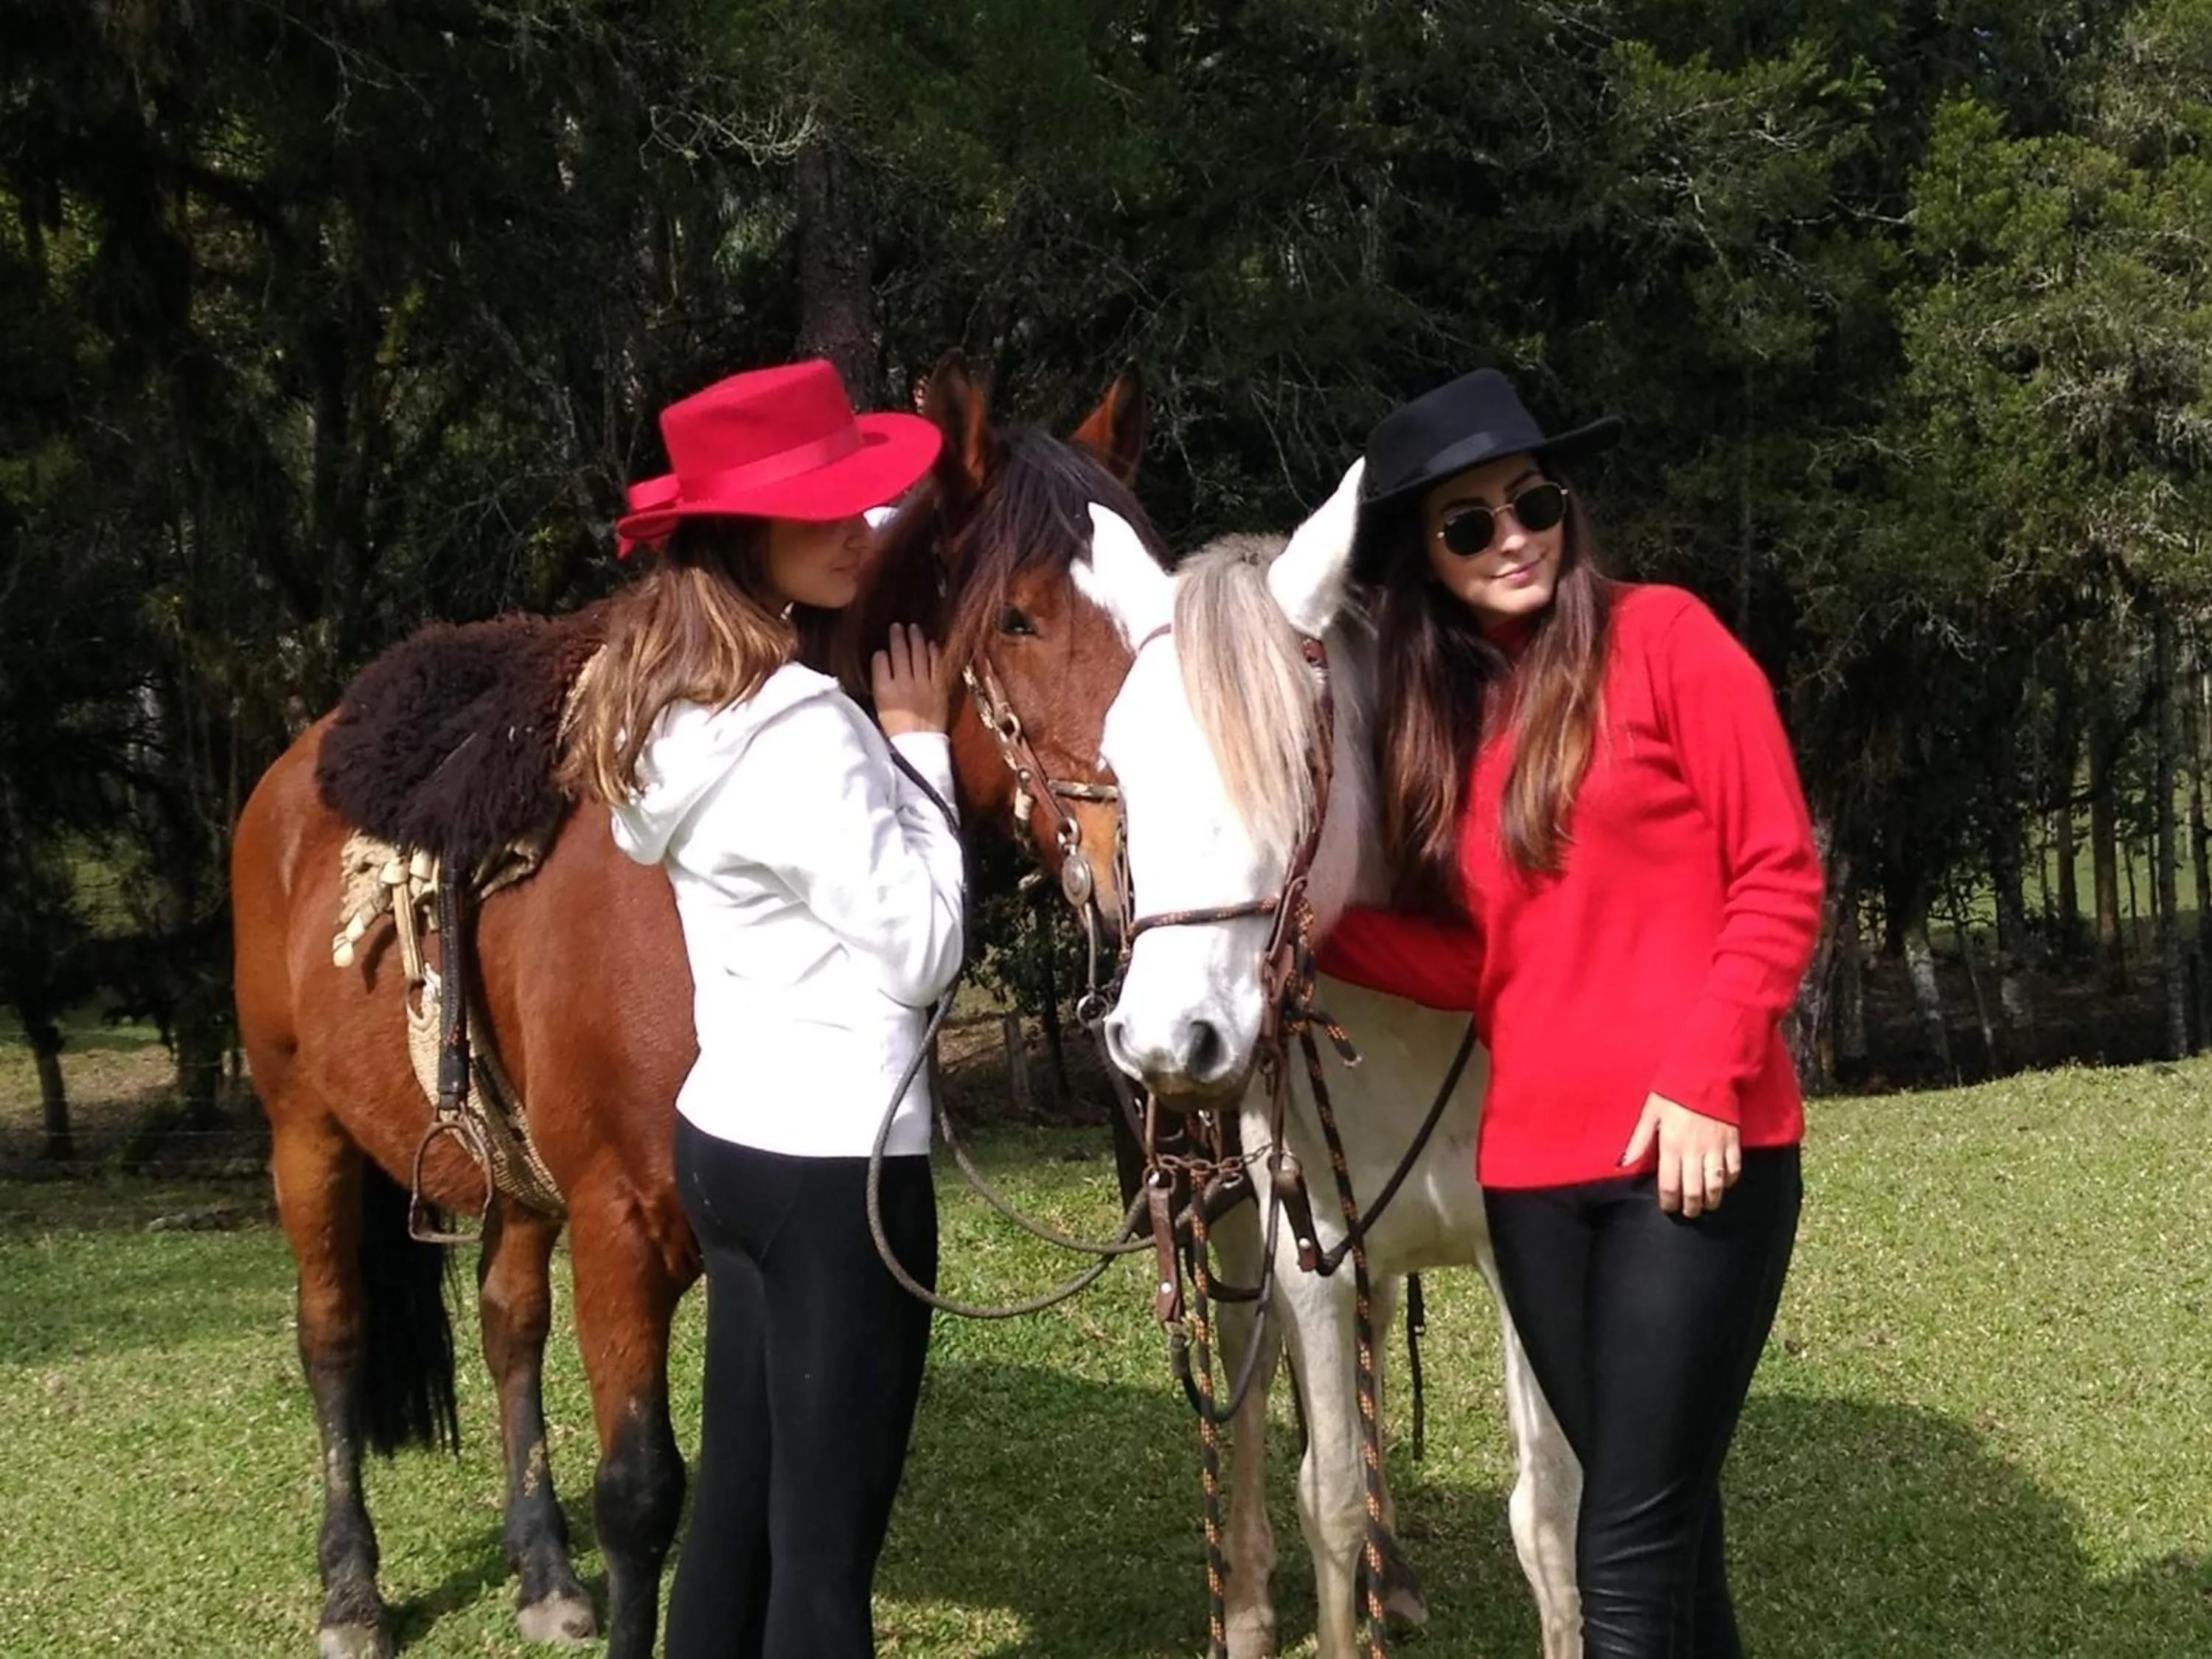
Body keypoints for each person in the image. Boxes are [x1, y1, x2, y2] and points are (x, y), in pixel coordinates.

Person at [1316, 369, 1823, 1658]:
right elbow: (1498, 961)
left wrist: (1709, 1075)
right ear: (1426, 562)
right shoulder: (1453, 721)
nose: (1515, 536)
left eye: (1532, 500)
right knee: (1667, 1524)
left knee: (1624, 1541)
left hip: (1690, 1160)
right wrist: (1313, 937)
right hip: (1533, 1181)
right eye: (1469, 523)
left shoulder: (1669, 640)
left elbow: (1777, 870)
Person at [563, 359, 962, 1659]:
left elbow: (871, 530)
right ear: (749, 531)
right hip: (839, 1168)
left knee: (734, 1520)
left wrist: (902, 521)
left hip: (727, 1145)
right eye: (832, 509)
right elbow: (923, 947)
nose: (860, 529)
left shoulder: (673, 707)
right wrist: (917, 741)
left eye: (862, 507)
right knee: (824, 1563)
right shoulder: (807, 728)